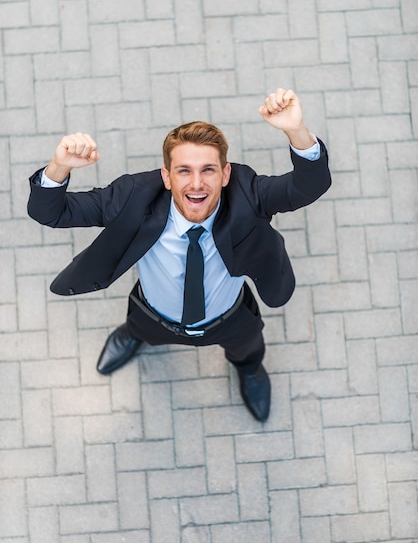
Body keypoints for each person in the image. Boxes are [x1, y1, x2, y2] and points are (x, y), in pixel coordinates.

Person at [27, 88, 331, 422]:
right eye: (184, 170)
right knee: (139, 328)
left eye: (209, 170)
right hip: (153, 313)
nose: (197, 184)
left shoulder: (248, 194)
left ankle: (249, 370)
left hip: (231, 317)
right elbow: (51, 213)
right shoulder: (133, 197)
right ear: (166, 177)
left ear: (226, 174)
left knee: (248, 349)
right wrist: (58, 167)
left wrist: (295, 131)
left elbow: (308, 186)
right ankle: (132, 336)